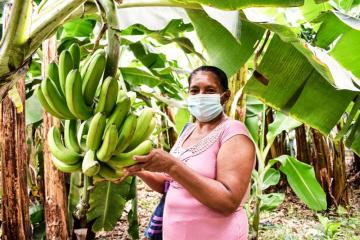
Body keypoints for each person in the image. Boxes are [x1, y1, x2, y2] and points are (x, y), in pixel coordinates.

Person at [124, 66, 256, 240]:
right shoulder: (188, 131)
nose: (201, 96)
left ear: (225, 96)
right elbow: (170, 183)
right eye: (195, 90)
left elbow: (228, 201)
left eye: (209, 90)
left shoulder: (233, 132)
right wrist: (139, 170)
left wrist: (171, 165)